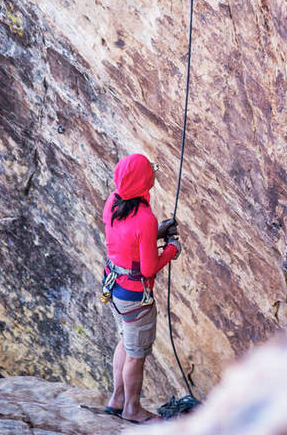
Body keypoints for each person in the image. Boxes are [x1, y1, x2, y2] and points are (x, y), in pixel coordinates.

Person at [102, 153, 181, 423]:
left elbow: (127, 241)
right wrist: (171, 249)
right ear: (145, 180)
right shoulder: (145, 218)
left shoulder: (113, 202)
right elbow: (148, 269)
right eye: (152, 171)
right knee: (136, 355)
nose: (154, 174)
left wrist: (157, 232)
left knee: (125, 340)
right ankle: (132, 409)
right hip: (136, 297)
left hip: (113, 287)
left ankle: (117, 399)